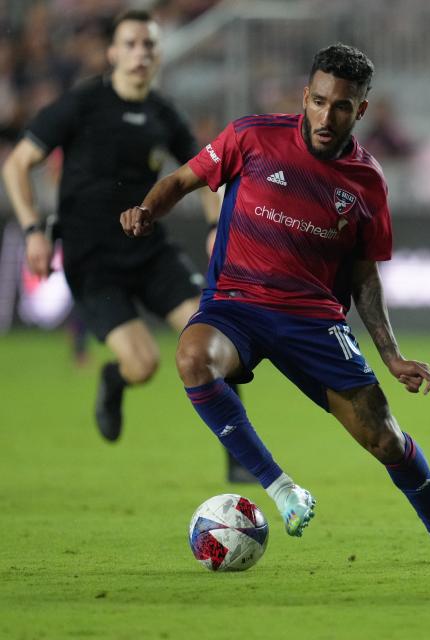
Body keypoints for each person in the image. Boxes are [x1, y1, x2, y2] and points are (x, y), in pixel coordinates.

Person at [118, 43, 430, 564]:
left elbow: (365, 275)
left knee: (385, 439)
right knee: (192, 359)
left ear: (360, 110)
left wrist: (391, 356)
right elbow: (182, 180)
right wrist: (146, 209)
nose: (326, 115)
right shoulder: (252, 136)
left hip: (313, 321)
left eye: (342, 106)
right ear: (305, 96)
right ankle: (281, 489)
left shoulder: (367, 182)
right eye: (318, 101)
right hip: (237, 305)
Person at [0, 9, 254, 482]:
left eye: (150, 45)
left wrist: (217, 225)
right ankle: (116, 378)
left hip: (150, 251)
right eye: (132, 44)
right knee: (145, 364)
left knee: (214, 339)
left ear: (159, 56)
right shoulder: (81, 105)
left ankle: (240, 457)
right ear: (113, 52)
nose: (141, 53)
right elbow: (17, 164)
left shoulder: (164, 115)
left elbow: (208, 175)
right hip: (92, 259)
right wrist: (34, 229)